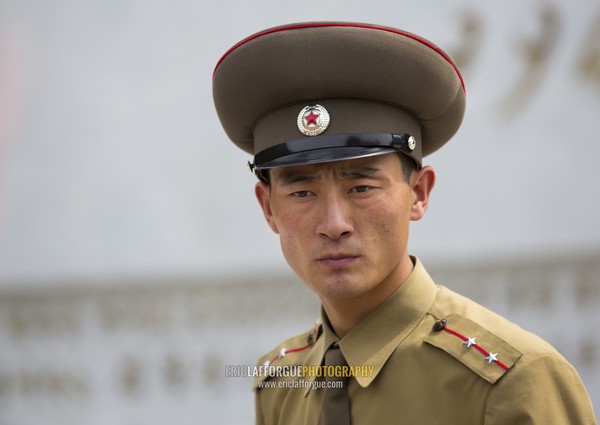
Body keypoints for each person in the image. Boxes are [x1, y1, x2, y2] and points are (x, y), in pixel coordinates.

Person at [212, 22, 597, 425]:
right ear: (268, 207)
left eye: (361, 187)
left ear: (418, 193)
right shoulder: (280, 382)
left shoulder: (511, 381)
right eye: (302, 192)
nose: (334, 224)